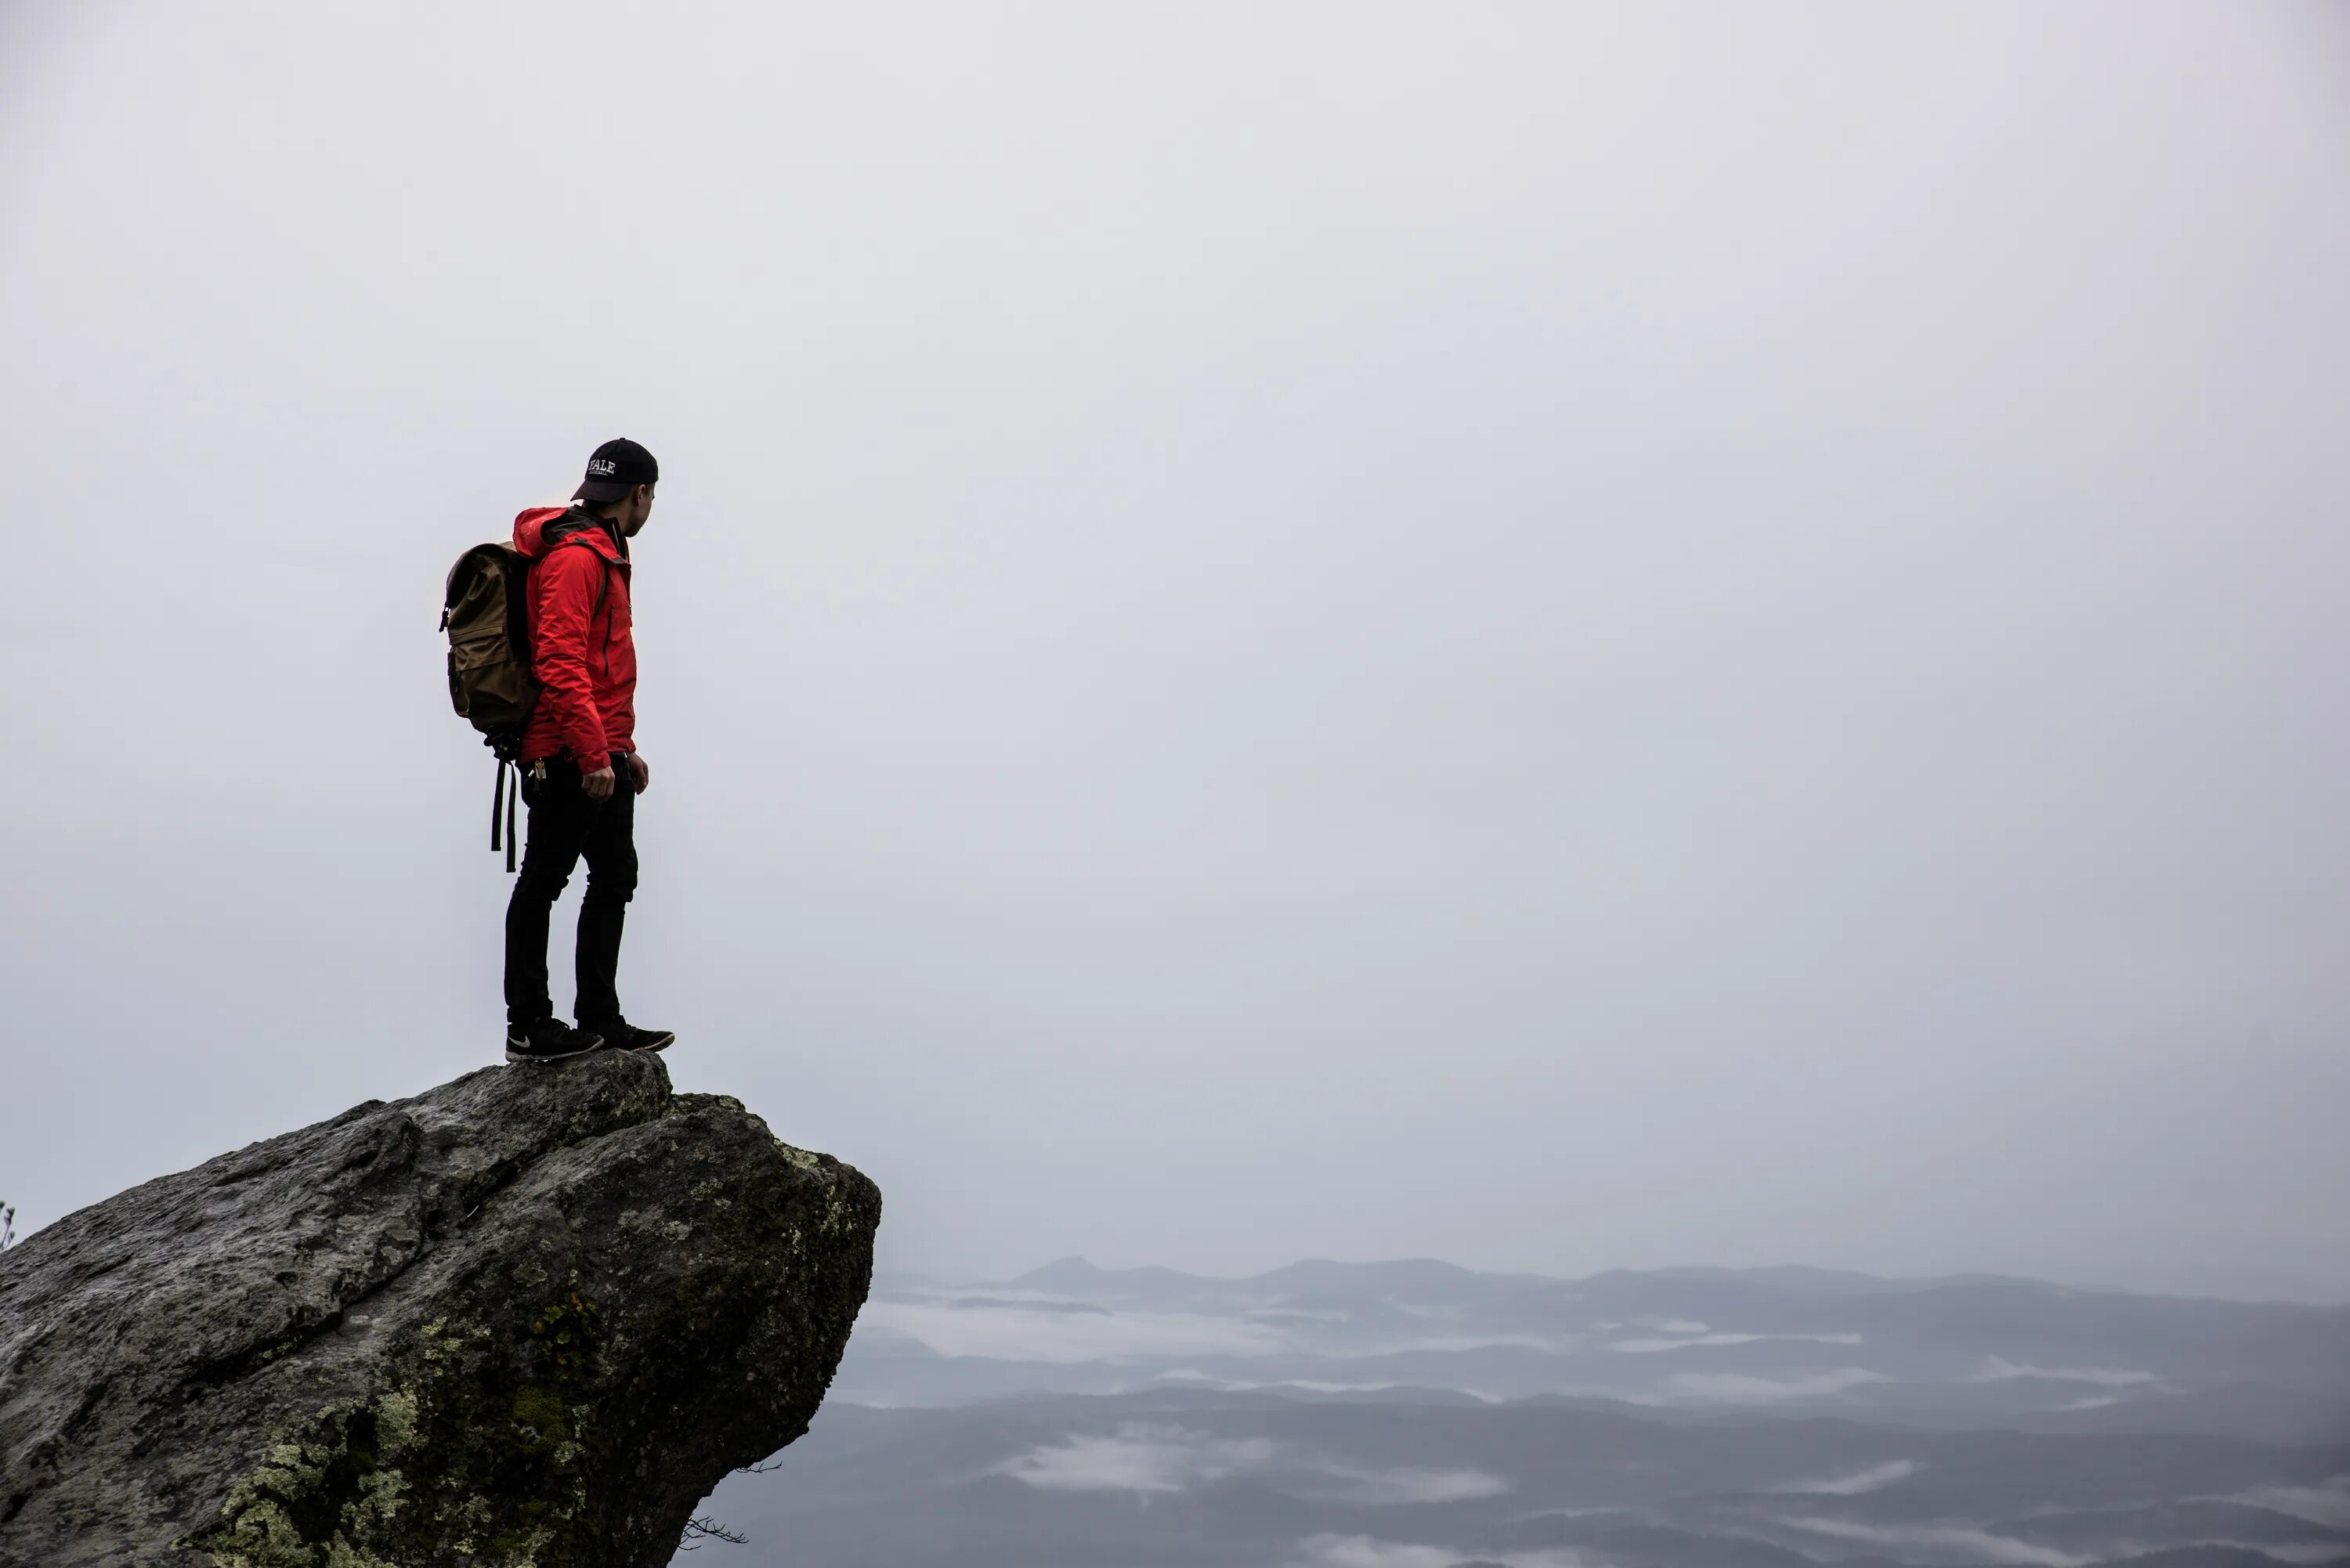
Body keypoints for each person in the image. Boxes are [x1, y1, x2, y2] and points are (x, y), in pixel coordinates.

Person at [501, 438, 676, 1062]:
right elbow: (559, 661)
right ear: (640, 494)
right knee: (544, 880)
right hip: (566, 750)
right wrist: (592, 752)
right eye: (652, 496)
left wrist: (621, 749)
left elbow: (601, 667)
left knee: (614, 878)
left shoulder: (606, 551)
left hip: (599, 747)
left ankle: (599, 1018)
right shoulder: (577, 558)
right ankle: (528, 1025)